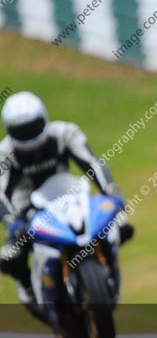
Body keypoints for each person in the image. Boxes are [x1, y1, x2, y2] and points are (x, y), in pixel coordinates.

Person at [0, 92, 134, 322]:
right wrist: (12, 223)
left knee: (121, 226)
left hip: (68, 196)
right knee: (9, 256)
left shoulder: (64, 133)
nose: (29, 138)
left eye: (32, 127)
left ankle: (107, 270)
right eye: (21, 131)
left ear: (44, 118)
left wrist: (111, 192)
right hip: (28, 209)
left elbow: (92, 162)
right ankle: (27, 287)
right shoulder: (5, 153)